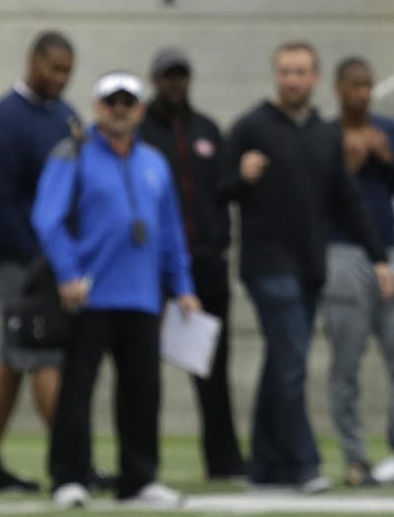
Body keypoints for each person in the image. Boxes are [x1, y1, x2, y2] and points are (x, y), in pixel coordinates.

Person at [224, 41, 391, 494]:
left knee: (281, 362)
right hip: (266, 266)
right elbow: (216, 189)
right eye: (285, 72)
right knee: (293, 359)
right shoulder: (250, 127)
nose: (292, 80)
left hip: (310, 267)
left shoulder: (323, 133)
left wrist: (378, 257)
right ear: (276, 75)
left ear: (314, 78)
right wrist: (241, 176)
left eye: (300, 72)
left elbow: (349, 201)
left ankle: (263, 465)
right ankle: (304, 463)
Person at [33, 71, 201, 509]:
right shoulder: (74, 153)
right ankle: (69, 476)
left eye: (128, 102)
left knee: (143, 392)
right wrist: (69, 274)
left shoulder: (154, 163)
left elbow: (170, 233)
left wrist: (182, 286)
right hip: (89, 295)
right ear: (97, 107)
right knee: (78, 390)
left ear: (141, 110)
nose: (120, 110)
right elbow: (47, 220)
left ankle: (138, 479)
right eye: (112, 103)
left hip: (142, 295)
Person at [0, 31, 77, 496]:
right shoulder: (5, 121)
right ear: (33, 62)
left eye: (67, 70)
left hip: (53, 259)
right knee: (43, 353)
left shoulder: (65, 117)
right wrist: (35, 257)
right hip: (17, 260)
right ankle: (72, 463)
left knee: (12, 358)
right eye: (52, 68)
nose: (59, 78)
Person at [318, 56, 394, 487]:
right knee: (346, 366)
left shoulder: (388, 131)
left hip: (391, 250)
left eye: (368, 85)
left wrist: (385, 159)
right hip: (342, 253)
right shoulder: (325, 136)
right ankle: (354, 458)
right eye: (353, 86)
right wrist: (345, 166)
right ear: (338, 89)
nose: (362, 93)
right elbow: (315, 201)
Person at [138, 46, 247, 483]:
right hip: (154, 269)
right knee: (143, 370)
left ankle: (223, 462)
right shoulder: (141, 132)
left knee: (213, 369)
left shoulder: (207, 130)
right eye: (167, 76)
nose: (175, 84)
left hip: (205, 265)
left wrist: (243, 179)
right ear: (155, 79)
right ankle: (143, 464)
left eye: (181, 76)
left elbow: (220, 189)